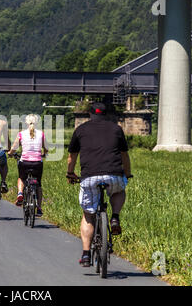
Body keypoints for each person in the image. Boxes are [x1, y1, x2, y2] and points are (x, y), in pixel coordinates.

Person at [66, 102, 132, 267]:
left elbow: (72, 156)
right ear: (105, 114)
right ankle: (115, 217)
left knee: (88, 214)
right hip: (114, 174)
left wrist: (70, 173)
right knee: (119, 190)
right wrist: (127, 174)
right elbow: (124, 155)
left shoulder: (80, 130)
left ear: (90, 115)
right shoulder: (116, 129)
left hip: (89, 176)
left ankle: (86, 254)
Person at [8, 114, 48, 216]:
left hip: (24, 162)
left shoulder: (21, 134)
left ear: (26, 123)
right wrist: (44, 154)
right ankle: (39, 207)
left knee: (21, 178)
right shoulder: (41, 134)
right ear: (37, 123)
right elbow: (46, 148)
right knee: (38, 184)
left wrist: (10, 153)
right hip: (37, 162)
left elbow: (14, 147)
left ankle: (20, 193)